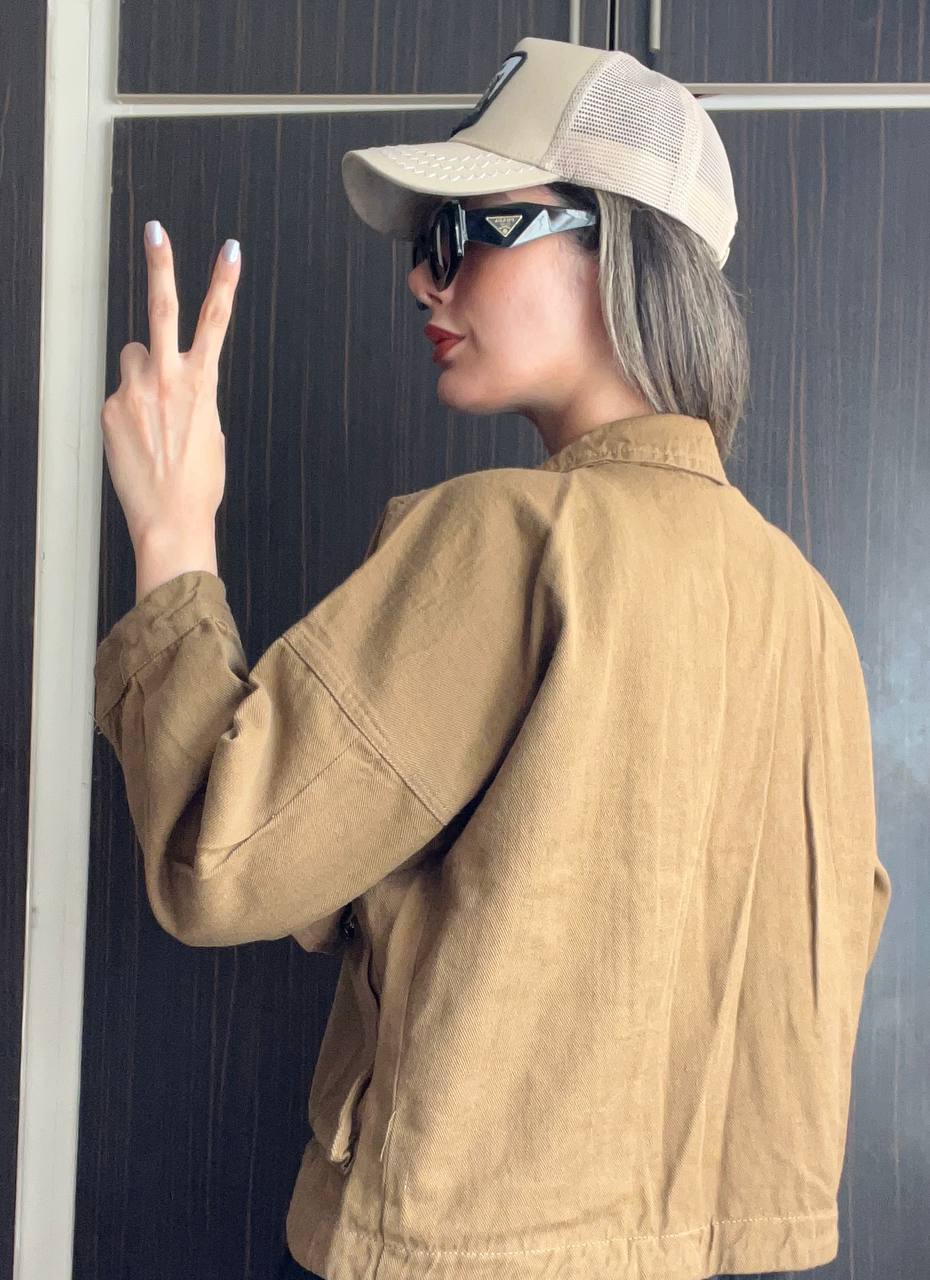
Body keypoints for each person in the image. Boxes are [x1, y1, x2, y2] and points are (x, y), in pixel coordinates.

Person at [95, 34, 891, 1280]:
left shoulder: (511, 538)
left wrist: (172, 533)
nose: (425, 278)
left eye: (466, 232)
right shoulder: (810, 614)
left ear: (615, 247)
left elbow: (223, 857)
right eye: (426, 242)